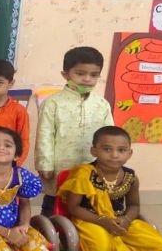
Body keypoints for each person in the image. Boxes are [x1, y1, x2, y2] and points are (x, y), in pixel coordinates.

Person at [57, 126, 162, 251]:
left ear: (129, 153)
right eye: (107, 149)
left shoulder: (130, 177)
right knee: (102, 246)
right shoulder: (83, 174)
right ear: (94, 151)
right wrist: (101, 220)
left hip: (120, 221)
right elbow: (73, 207)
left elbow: (134, 205)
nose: (114, 155)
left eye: (121, 150)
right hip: (90, 221)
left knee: (161, 246)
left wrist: (126, 220)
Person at [35, 46, 113, 216]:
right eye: (80, 73)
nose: (87, 79)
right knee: (53, 205)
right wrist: (44, 164)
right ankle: (48, 228)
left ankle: (79, 231)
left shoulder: (102, 105)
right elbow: (45, 136)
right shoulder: (53, 103)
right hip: (60, 166)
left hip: (92, 166)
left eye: (94, 75)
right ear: (65, 74)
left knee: (87, 203)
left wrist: (109, 162)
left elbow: (110, 137)